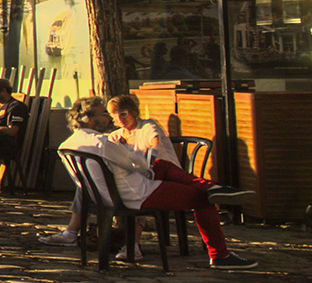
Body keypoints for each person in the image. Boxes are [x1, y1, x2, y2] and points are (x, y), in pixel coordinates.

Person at [55, 95, 253, 267]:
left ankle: (213, 187)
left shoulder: (68, 145)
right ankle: (220, 254)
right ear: (88, 118)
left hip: (104, 198)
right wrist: (134, 156)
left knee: (163, 168)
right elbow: (139, 165)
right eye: (102, 114)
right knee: (202, 198)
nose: (107, 117)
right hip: (135, 194)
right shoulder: (103, 143)